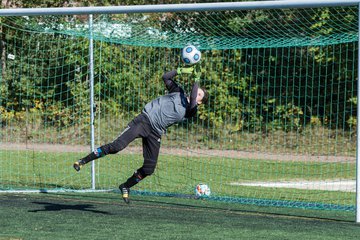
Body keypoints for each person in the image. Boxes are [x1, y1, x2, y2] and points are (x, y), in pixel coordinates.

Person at [73, 66, 208, 203]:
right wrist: (180, 71)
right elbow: (165, 77)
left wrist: (196, 79)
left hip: (156, 132)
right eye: (197, 92)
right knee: (117, 146)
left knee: (149, 168)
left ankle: (126, 186)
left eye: (199, 95)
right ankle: (83, 161)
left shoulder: (192, 110)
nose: (196, 93)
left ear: (200, 102)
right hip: (144, 121)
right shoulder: (178, 92)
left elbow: (192, 98)